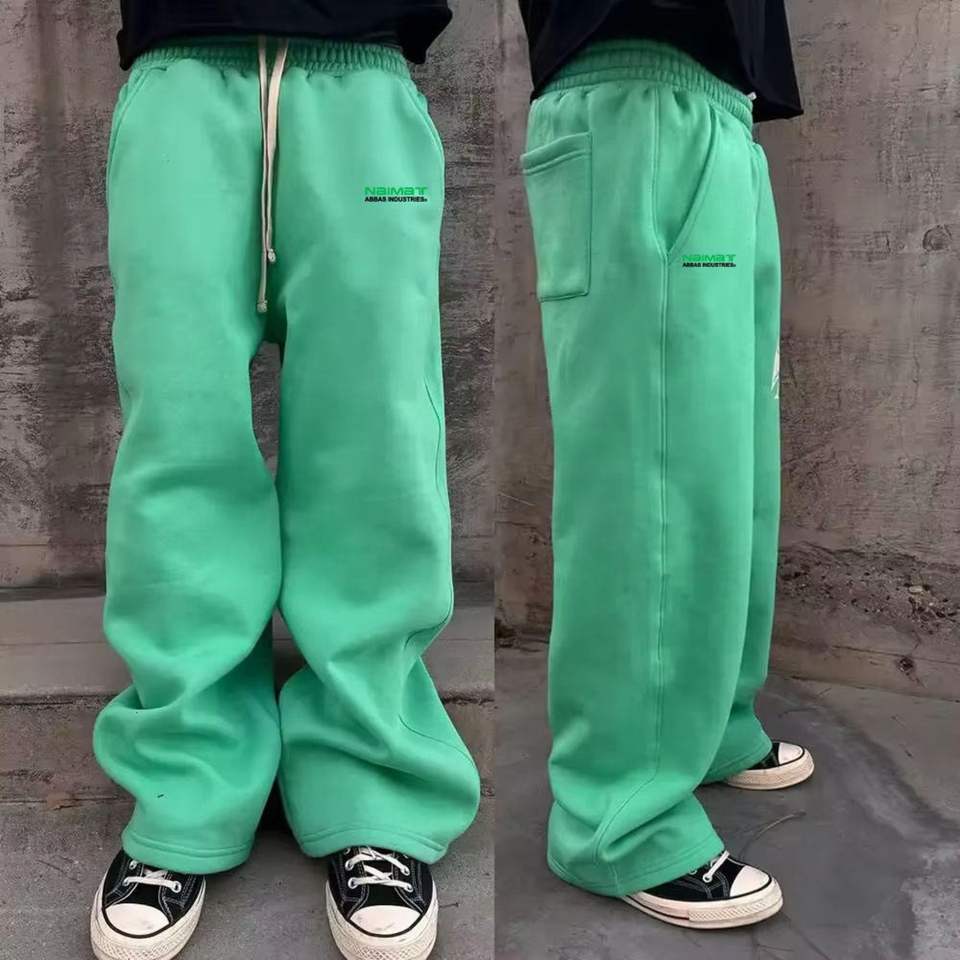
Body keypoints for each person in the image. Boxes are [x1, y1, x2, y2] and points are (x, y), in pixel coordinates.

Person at [89, 3, 480, 959]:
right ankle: (186, 778)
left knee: (377, 441)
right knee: (178, 434)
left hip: (362, 76)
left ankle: (374, 777)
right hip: (182, 70)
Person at [518, 0, 809, 929]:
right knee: (647, 471)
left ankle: (713, 722)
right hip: (631, 90)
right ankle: (618, 815)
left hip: (723, 105)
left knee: (729, 459)